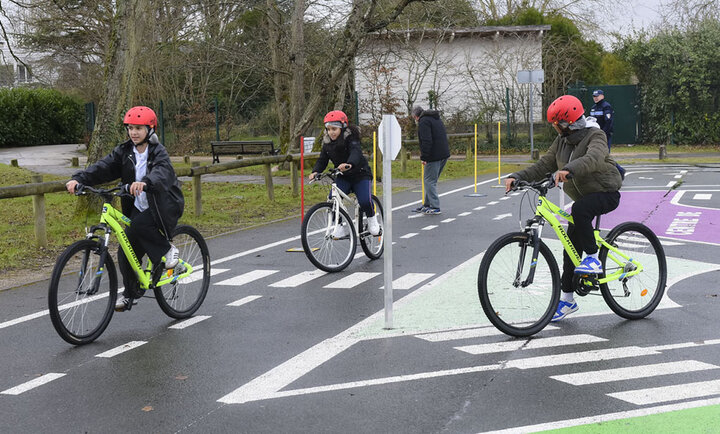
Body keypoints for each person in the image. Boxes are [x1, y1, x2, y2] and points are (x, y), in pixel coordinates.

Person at [504, 95, 623, 322]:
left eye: (555, 123)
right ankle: (567, 299)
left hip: (606, 192)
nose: (554, 127)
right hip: (584, 198)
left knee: (579, 211)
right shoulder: (562, 141)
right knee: (570, 248)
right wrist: (517, 177)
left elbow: (594, 158)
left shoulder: (594, 134)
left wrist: (569, 169)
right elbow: (544, 164)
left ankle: (593, 257)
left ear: (566, 122)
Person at [66, 106, 185, 312]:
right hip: (139, 206)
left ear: (150, 129)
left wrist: (146, 181)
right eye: (130, 128)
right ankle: (130, 294)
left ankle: (168, 250)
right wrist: (79, 178)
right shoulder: (124, 151)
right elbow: (103, 167)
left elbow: (162, 172)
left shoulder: (158, 151)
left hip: (164, 205)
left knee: (138, 226)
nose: (133, 132)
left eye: (139, 128)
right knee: (125, 249)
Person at [310, 110, 380, 237]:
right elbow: (322, 160)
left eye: (334, 129)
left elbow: (356, 152)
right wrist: (315, 171)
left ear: (342, 128)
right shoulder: (326, 143)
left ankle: (372, 220)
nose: (331, 132)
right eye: (329, 129)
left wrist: (349, 164)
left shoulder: (351, 138)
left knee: (364, 201)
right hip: (343, 177)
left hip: (360, 174)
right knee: (333, 200)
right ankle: (340, 226)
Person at [411, 105, 450, 215]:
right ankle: (427, 204)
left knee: (429, 181)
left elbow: (426, 140)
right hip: (443, 153)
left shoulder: (424, 122)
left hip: (434, 155)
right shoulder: (435, 118)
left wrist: (424, 157)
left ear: (416, 116)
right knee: (431, 180)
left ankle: (435, 206)